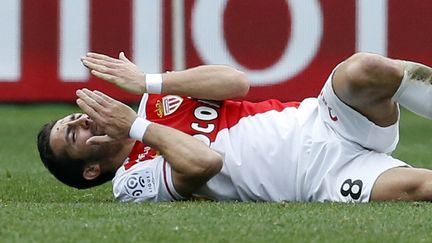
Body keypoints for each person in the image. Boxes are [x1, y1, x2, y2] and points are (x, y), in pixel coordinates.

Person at [38, 51, 432, 202]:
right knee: (422, 188)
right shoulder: (130, 182)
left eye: (76, 117)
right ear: (90, 170)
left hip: (324, 121)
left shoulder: (155, 101)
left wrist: (149, 83)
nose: (84, 120)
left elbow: (236, 81)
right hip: (320, 180)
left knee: (365, 69)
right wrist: (136, 127)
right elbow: (204, 162)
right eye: (74, 134)